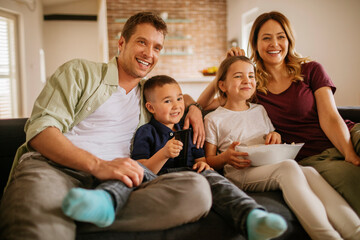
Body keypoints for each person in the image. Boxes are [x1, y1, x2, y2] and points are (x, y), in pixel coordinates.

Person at [0, 12, 209, 240]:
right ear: (122, 43)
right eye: (142, 42)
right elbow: (41, 131)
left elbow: (181, 97)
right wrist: (97, 165)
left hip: (118, 184)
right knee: (40, 226)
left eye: (157, 47)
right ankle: (64, 217)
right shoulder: (79, 72)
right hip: (55, 168)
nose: (149, 54)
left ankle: (79, 213)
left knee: (196, 191)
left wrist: (194, 107)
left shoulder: (148, 94)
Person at [197, 11, 360, 216]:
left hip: (350, 136)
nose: (275, 43)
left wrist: (349, 153)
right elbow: (203, 106)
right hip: (313, 158)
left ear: (289, 40)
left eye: (280, 36)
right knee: (351, 178)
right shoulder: (253, 87)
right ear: (255, 44)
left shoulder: (311, 70)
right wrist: (224, 69)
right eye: (266, 38)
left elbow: (330, 116)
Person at [203, 55, 360, 239]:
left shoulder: (259, 110)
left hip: (266, 165)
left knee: (309, 171)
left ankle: (355, 231)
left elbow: (273, 134)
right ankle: (326, 236)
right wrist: (226, 157)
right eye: (238, 76)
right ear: (222, 85)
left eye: (251, 76)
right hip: (240, 172)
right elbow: (209, 160)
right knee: (288, 167)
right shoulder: (214, 118)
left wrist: (274, 136)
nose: (247, 80)